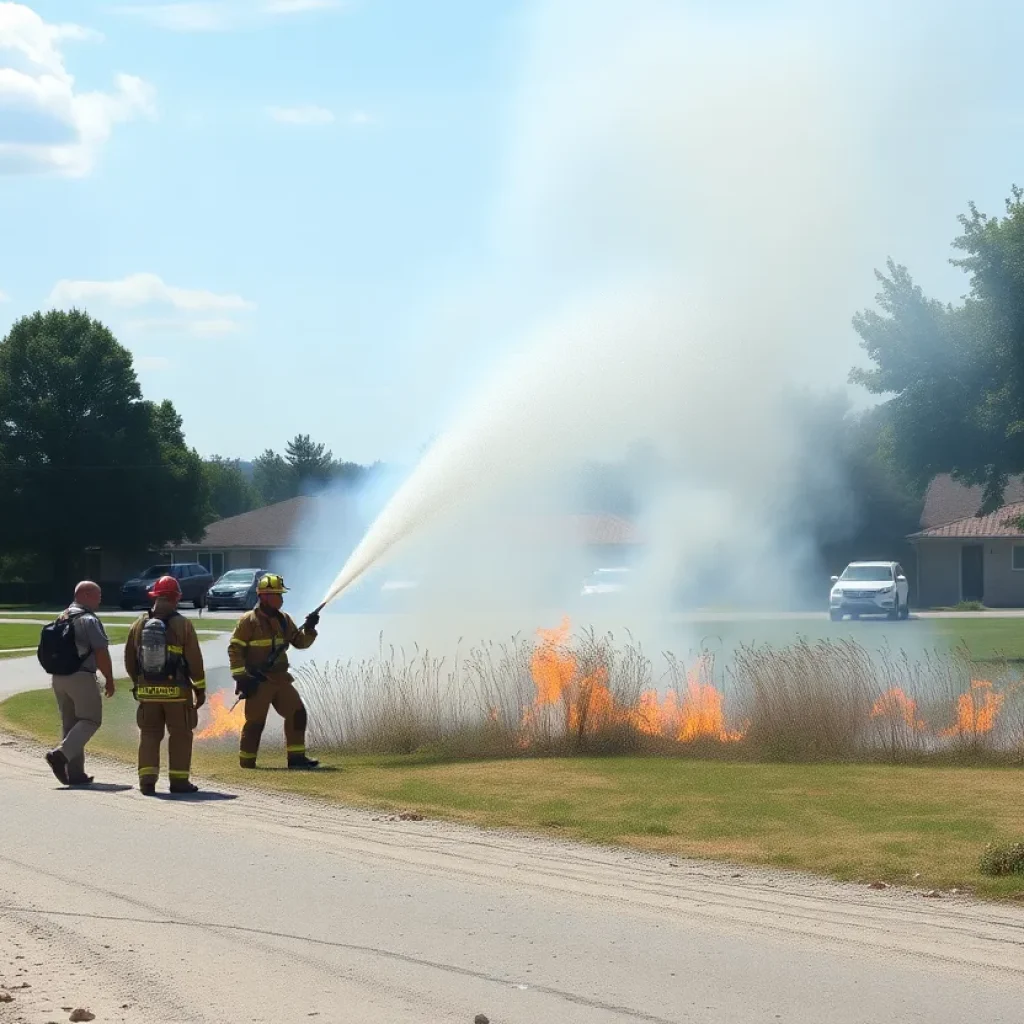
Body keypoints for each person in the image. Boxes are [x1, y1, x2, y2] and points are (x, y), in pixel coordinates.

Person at [123, 575, 206, 795]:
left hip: (147, 692)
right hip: (177, 693)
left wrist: (139, 683)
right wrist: (200, 689)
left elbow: (130, 661)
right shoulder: (183, 625)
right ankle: (179, 782)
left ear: (155, 597)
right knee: (180, 734)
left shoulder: (138, 625)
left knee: (149, 734)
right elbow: (195, 662)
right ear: (176, 598)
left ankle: (147, 782)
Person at [229, 573, 320, 769]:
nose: (281, 598)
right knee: (255, 723)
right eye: (277, 594)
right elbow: (235, 649)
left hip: (281, 680)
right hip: (258, 681)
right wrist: (240, 676)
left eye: (281, 594)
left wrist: (310, 628)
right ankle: (247, 761)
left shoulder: (284, 620)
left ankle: (296, 759)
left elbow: (300, 643)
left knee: (297, 713)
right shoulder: (248, 621)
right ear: (264, 596)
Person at [45, 581, 116, 787]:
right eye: (97, 594)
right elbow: (101, 651)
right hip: (81, 676)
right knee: (91, 720)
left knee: (71, 724)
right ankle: (60, 755)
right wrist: (109, 679)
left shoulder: (61, 616)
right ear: (85, 595)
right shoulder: (88, 620)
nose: (100, 598)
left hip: (59, 678)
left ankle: (75, 774)